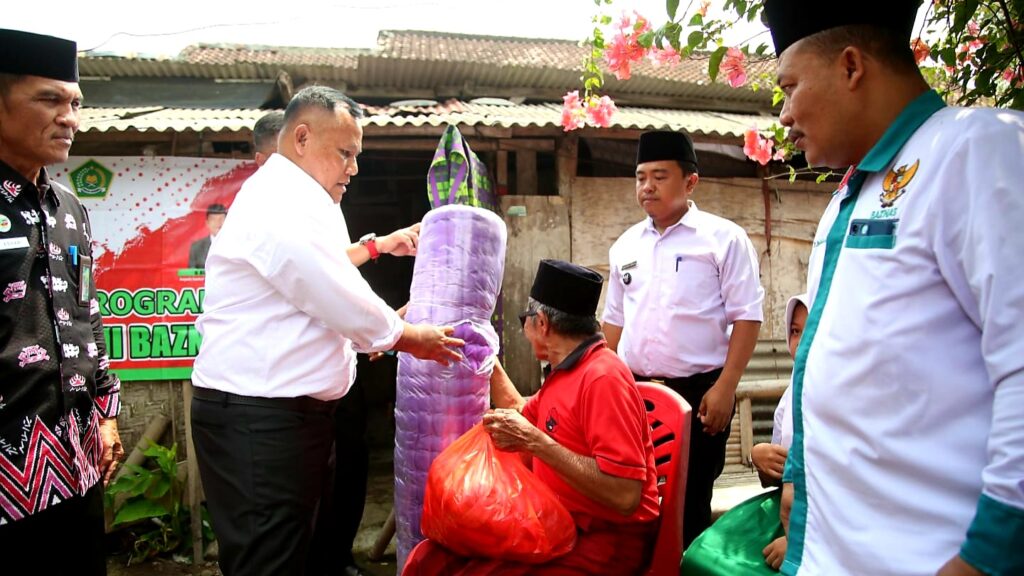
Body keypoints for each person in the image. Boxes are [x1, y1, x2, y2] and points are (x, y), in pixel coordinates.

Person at [762, 1, 1024, 575]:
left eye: (789, 87)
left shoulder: (974, 150)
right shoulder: (850, 195)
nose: (784, 116)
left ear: (851, 66)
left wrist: (989, 556)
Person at [190, 85, 464, 576]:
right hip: (260, 419)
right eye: (345, 153)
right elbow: (327, 287)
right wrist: (405, 335)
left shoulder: (306, 200)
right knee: (267, 562)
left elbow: (324, 272)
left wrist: (379, 255)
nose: (353, 169)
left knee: (299, 552)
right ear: (300, 138)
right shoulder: (278, 200)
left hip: (292, 417)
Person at [404, 259, 661, 575]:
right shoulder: (565, 370)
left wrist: (538, 443)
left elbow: (625, 496)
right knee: (430, 557)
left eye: (524, 320)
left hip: (604, 541)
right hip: (558, 521)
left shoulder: (602, 378)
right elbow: (522, 415)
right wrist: (487, 360)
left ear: (542, 323)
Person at [602, 130, 765, 547]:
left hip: (699, 394)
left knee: (689, 509)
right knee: (631, 502)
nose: (647, 187)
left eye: (660, 176)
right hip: (635, 395)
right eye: (640, 177)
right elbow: (614, 323)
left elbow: (747, 315)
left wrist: (726, 387)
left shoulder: (723, 238)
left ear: (690, 181)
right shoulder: (625, 245)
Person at [0, 29, 124, 575]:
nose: (69, 117)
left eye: (75, 103)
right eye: (49, 99)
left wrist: (107, 413)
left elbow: (87, 312)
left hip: (77, 462)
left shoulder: (69, 206)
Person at [680, 294, 808, 575]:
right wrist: (758, 457)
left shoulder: (851, 401)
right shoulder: (791, 396)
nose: (800, 341)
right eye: (795, 331)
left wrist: (802, 542)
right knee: (700, 553)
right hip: (781, 510)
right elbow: (774, 479)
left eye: (810, 330)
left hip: (819, 524)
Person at [187, 202, 227, 269]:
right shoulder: (196, 247)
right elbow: (191, 276)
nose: (218, 222)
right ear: (207, 223)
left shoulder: (237, 244)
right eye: (213, 219)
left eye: (221, 219)